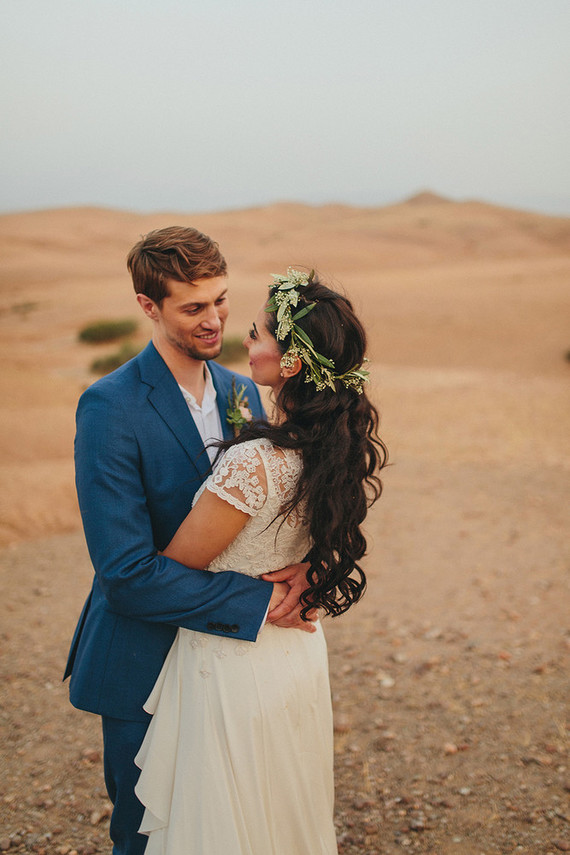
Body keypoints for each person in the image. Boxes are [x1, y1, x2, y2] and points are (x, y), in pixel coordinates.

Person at [64, 228, 314, 855]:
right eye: (193, 307)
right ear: (149, 306)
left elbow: (262, 508)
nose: (215, 321)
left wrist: (303, 567)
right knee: (150, 834)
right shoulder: (108, 407)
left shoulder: (239, 391)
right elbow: (124, 572)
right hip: (141, 656)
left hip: (226, 671)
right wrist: (259, 603)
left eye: (222, 301)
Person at [133, 268, 388, 854]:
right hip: (294, 653)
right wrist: (314, 569)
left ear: (291, 361)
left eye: (255, 334)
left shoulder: (257, 461)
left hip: (232, 662)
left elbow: (173, 567)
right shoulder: (334, 449)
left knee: (226, 821)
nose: (243, 343)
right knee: (277, 811)